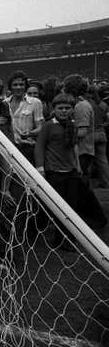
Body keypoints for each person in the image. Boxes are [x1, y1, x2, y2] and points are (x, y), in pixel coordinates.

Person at [34, 93, 107, 250]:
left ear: (72, 110)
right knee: (57, 207)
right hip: (54, 172)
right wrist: (40, 168)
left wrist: (78, 165)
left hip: (71, 171)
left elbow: (74, 146)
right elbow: (39, 146)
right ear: (54, 109)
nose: (64, 111)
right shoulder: (48, 126)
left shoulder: (72, 125)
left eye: (67, 108)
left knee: (72, 206)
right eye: (60, 108)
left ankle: (66, 240)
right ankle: (42, 233)